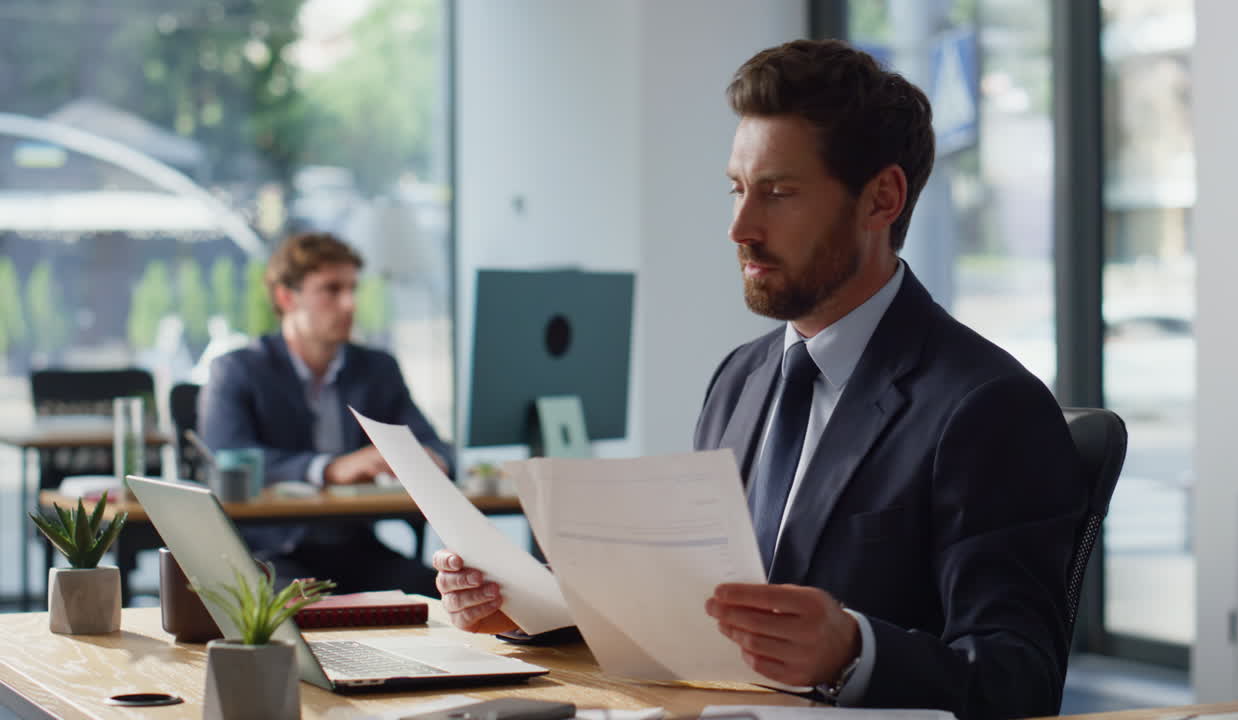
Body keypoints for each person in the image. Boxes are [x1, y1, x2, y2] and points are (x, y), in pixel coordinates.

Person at [431, 39, 1085, 719]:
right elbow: (695, 617)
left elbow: (1019, 678)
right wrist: (525, 608)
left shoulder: (986, 407)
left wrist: (854, 652)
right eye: (738, 189)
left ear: (882, 198)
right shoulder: (740, 379)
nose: (740, 228)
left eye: (777, 193)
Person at [200, 232, 452, 596]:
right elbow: (227, 459)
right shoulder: (237, 370)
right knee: (302, 603)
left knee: (440, 598)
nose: (349, 303)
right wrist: (329, 469)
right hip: (271, 551)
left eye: (352, 288)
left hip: (356, 549)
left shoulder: (376, 369)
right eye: (332, 290)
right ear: (286, 297)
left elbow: (434, 445)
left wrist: (432, 459)